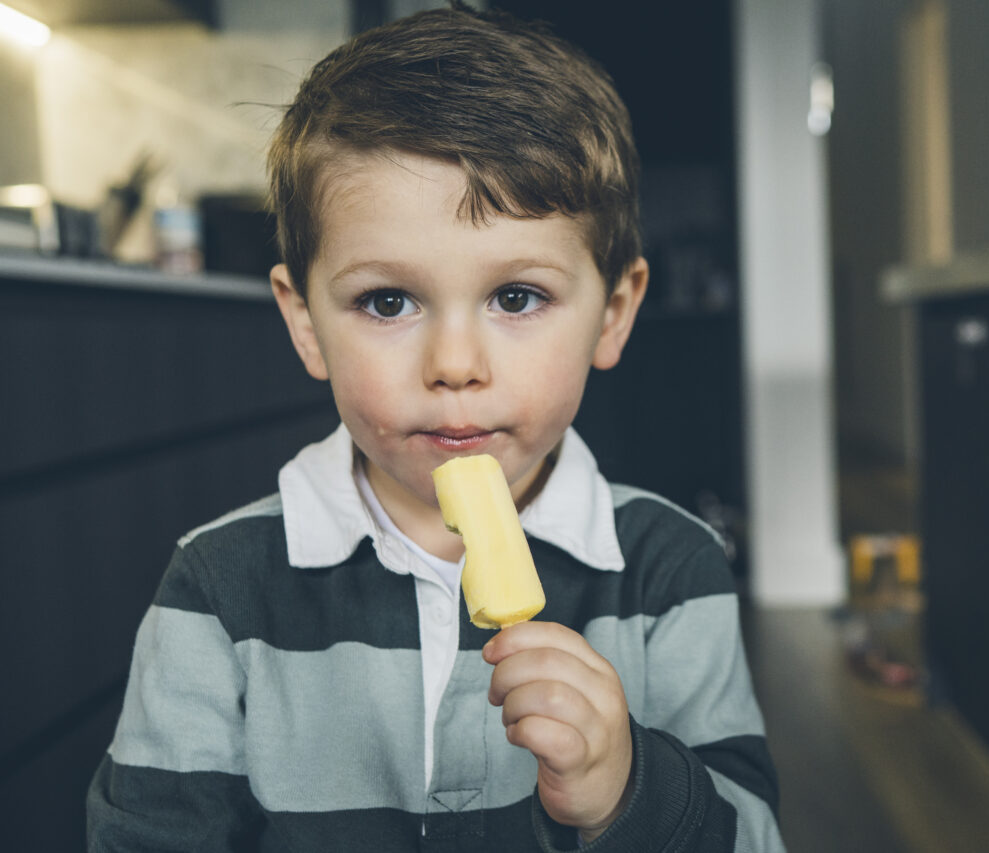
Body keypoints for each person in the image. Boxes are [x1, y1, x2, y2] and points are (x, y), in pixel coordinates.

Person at [85, 4, 783, 851]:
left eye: (517, 296)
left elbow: (753, 837)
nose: (454, 363)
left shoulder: (673, 571)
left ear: (615, 312)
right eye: (388, 300)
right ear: (306, 321)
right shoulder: (217, 589)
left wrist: (629, 788)